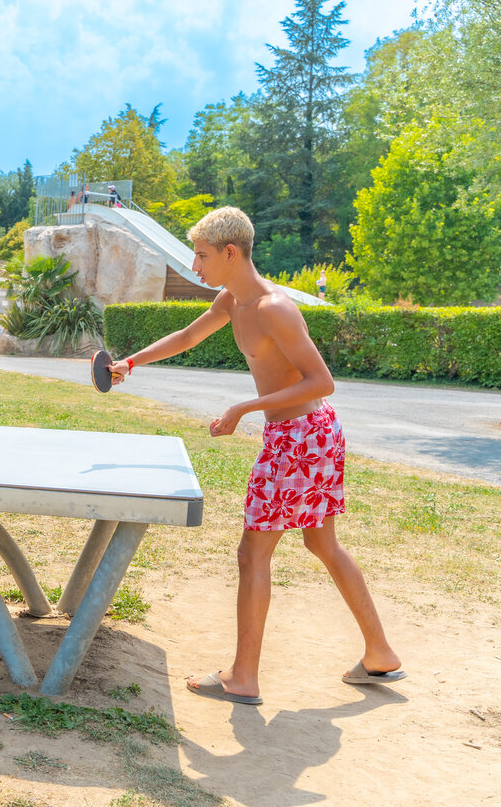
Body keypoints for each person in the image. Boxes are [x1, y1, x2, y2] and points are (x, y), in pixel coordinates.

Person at [108, 207, 403, 705]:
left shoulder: (273, 308)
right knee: (322, 545)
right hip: (308, 435)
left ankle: (243, 678)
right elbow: (188, 336)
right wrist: (131, 362)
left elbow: (322, 381)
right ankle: (380, 655)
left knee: (253, 553)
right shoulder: (232, 299)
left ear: (230, 252)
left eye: (201, 256)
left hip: (300, 438)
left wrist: (245, 406)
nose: (195, 266)